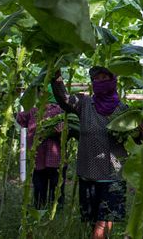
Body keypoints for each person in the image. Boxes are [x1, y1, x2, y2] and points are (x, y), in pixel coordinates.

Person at [51, 66, 128, 239]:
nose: (100, 82)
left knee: (102, 227)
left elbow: (138, 137)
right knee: (90, 223)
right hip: (88, 174)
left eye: (104, 78)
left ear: (113, 81)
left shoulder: (124, 110)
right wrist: (56, 77)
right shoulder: (85, 104)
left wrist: (140, 130)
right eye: (97, 79)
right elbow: (64, 99)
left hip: (113, 174)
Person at [16, 85, 66, 209]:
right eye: (39, 92)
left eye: (44, 91)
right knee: (39, 189)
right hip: (37, 159)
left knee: (56, 191)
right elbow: (19, 118)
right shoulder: (33, 111)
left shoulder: (61, 111)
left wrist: (63, 131)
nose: (41, 94)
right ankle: (38, 212)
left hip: (57, 159)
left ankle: (55, 215)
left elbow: (70, 130)